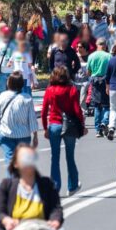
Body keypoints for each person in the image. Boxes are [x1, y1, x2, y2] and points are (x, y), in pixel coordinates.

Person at [41, 66, 85, 196]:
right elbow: (77, 110)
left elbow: (44, 112)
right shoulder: (71, 90)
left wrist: (45, 128)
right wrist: (82, 125)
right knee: (70, 157)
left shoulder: (49, 90)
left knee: (54, 157)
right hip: (69, 126)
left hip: (54, 125)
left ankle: (55, 186)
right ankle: (72, 186)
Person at [0, 72, 39, 167]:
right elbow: (32, 119)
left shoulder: (3, 96)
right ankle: (21, 179)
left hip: (6, 134)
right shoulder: (27, 98)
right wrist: (35, 136)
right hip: (23, 135)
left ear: (9, 83)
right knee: (22, 162)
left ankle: (12, 179)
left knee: (10, 159)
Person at [87, 38, 112, 137]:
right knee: (106, 105)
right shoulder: (109, 56)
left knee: (97, 106)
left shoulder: (91, 56)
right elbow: (111, 70)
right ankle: (104, 122)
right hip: (106, 81)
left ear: (97, 45)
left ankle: (98, 130)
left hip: (95, 81)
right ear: (105, 45)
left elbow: (88, 72)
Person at [0, 26, 18, 98]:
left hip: (13, 72)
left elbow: (20, 55)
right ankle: (2, 107)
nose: (6, 35)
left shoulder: (15, 43)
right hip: (1, 71)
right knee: (2, 92)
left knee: (13, 92)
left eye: (7, 33)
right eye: (5, 33)